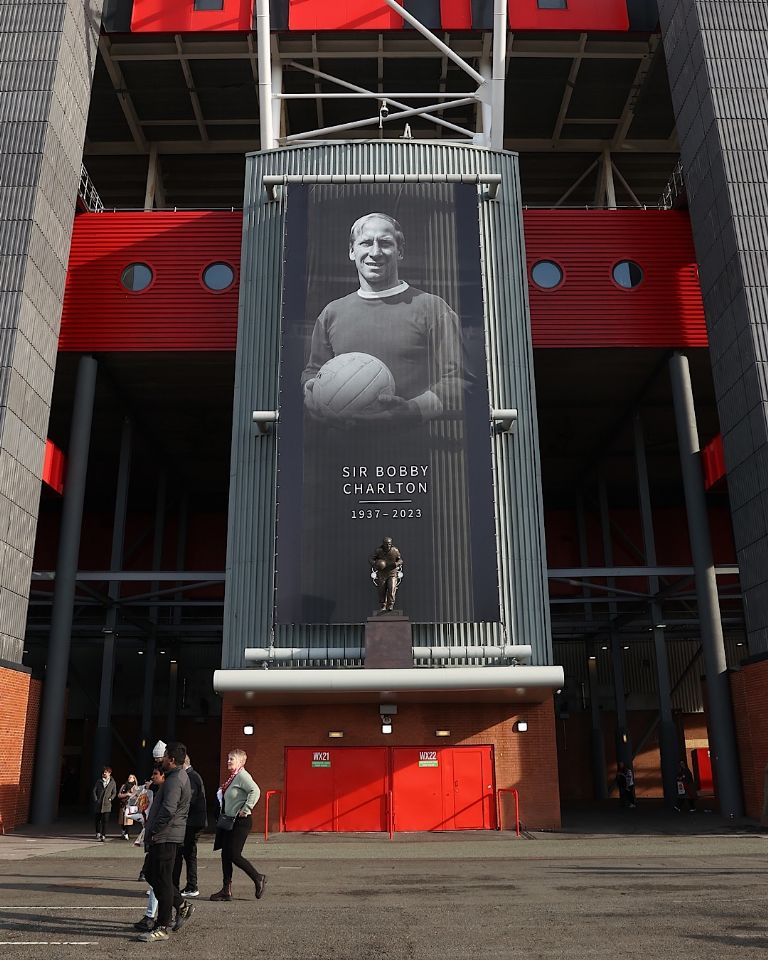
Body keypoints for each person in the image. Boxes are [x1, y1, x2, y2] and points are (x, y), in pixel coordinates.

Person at [302, 212, 464, 425]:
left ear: (400, 252)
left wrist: (412, 410)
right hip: (339, 450)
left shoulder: (432, 308)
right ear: (352, 251)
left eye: (385, 243)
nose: (375, 252)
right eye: (366, 243)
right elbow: (314, 370)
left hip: (413, 452)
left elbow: (460, 379)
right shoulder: (332, 313)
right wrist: (312, 392)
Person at [139, 741, 193, 942]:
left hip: (166, 836)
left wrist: (153, 830)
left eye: (164, 756)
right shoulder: (174, 777)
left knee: (161, 879)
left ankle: (162, 926)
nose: (161, 759)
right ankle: (181, 905)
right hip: (164, 835)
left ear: (171, 759)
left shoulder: (174, 780)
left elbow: (168, 810)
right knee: (154, 875)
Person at [210, 749, 266, 903]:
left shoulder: (242, 776)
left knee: (234, 854)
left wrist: (246, 809)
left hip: (240, 822)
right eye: (228, 758)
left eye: (232, 759)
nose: (228, 761)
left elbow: (255, 790)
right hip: (228, 821)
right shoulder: (233, 778)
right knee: (225, 855)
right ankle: (226, 890)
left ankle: (258, 877)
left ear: (241, 762)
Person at [134, 766, 165, 934]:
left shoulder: (167, 791)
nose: (152, 777)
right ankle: (150, 916)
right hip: (154, 837)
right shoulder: (155, 791)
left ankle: (179, 906)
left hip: (161, 839)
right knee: (157, 878)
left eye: (155, 774)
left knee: (158, 878)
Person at [175, 754, 207, 899]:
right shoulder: (194, 776)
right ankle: (191, 885)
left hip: (191, 822)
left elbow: (190, 799)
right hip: (194, 821)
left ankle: (191, 885)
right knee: (189, 854)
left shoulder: (191, 777)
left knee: (185, 853)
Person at [369, 536, 403, 611]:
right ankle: (383, 605)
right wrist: (376, 564)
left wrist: (396, 564)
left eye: (389, 544)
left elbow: (400, 560)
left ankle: (390, 604)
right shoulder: (379, 551)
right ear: (383, 544)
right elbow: (371, 559)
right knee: (382, 590)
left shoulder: (395, 550)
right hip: (382, 573)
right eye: (386, 544)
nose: (388, 546)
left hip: (392, 573)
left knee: (391, 588)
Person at [91, 766, 117, 841]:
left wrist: (110, 798)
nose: (104, 774)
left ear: (109, 773)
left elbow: (114, 792)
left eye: (106, 772)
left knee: (105, 820)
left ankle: (103, 835)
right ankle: (98, 832)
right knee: (97, 819)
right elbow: (94, 791)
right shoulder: (99, 781)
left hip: (107, 804)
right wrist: (96, 800)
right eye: (103, 772)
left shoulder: (112, 782)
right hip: (98, 804)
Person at [118, 773, 140, 840]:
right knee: (122, 820)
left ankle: (127, 833)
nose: (129, 778)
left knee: (128, 820)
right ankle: (123, 831)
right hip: (123, 804)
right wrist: (126, 794)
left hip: (130, 805)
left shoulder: (135, 787)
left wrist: (132, 795)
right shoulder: (124, 786)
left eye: (131, 777)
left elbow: (138, 796)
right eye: (129, 777)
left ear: (134, 779)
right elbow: (119, 795)